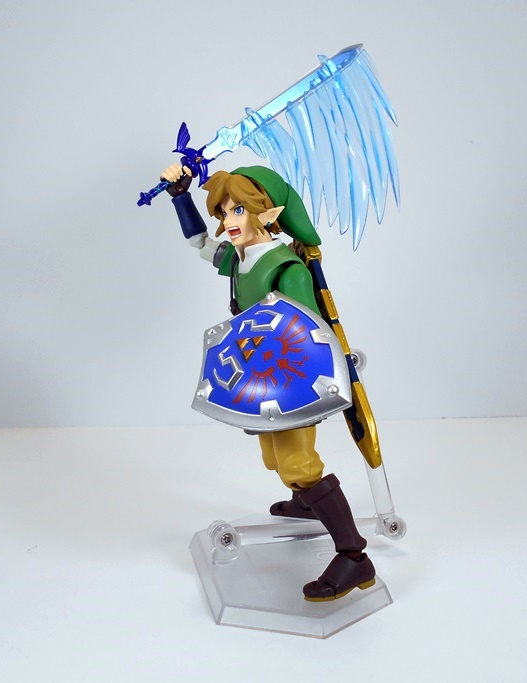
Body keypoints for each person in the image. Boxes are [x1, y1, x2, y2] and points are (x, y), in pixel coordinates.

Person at [161, 162, 376, 601]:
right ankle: (306, 503)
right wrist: (181, 197)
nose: (229, 221)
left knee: (298, 464)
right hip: (260, 378)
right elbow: (200, 243)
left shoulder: (286, 269)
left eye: (238, 210)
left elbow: (302, 339)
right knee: (274, 460)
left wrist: (290, 384)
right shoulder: (240, 259)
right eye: (224, 212)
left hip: (291, 382)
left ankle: (354, 556)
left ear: (270, 213)